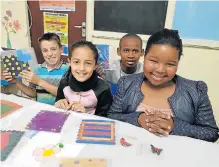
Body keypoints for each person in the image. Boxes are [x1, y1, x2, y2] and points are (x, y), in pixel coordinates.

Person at [108, 28, 219, 142]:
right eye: (154, 61)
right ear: (144, 56)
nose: (160, 70)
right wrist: (138, 119)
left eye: (170, 64)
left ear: (177, 63)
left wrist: (174, 126)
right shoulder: (126, 83)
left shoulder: (196, 91)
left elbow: (211, 133)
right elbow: (112, 117)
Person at [55, 41, 112, 117]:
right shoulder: (64, 83)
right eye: (76, 62)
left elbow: (105, 118)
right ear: (70, 62)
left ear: (95, 65)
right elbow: (58, 101)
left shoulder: (103, 88)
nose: (82, 68)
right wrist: (59, 103)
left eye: (88, 63)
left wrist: (85, 114)